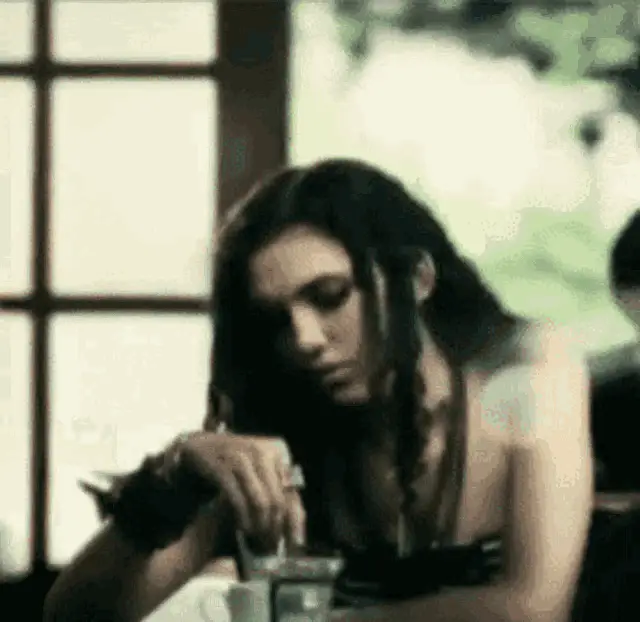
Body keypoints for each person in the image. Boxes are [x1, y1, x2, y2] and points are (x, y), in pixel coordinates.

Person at [44, 159, 594, 622]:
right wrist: (172, 479)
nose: (304, 339)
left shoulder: (528, 367)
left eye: (329, 296)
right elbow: (73, 616)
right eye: (275, 320)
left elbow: (532, 609)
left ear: (416, 278)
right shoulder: (283, 424)